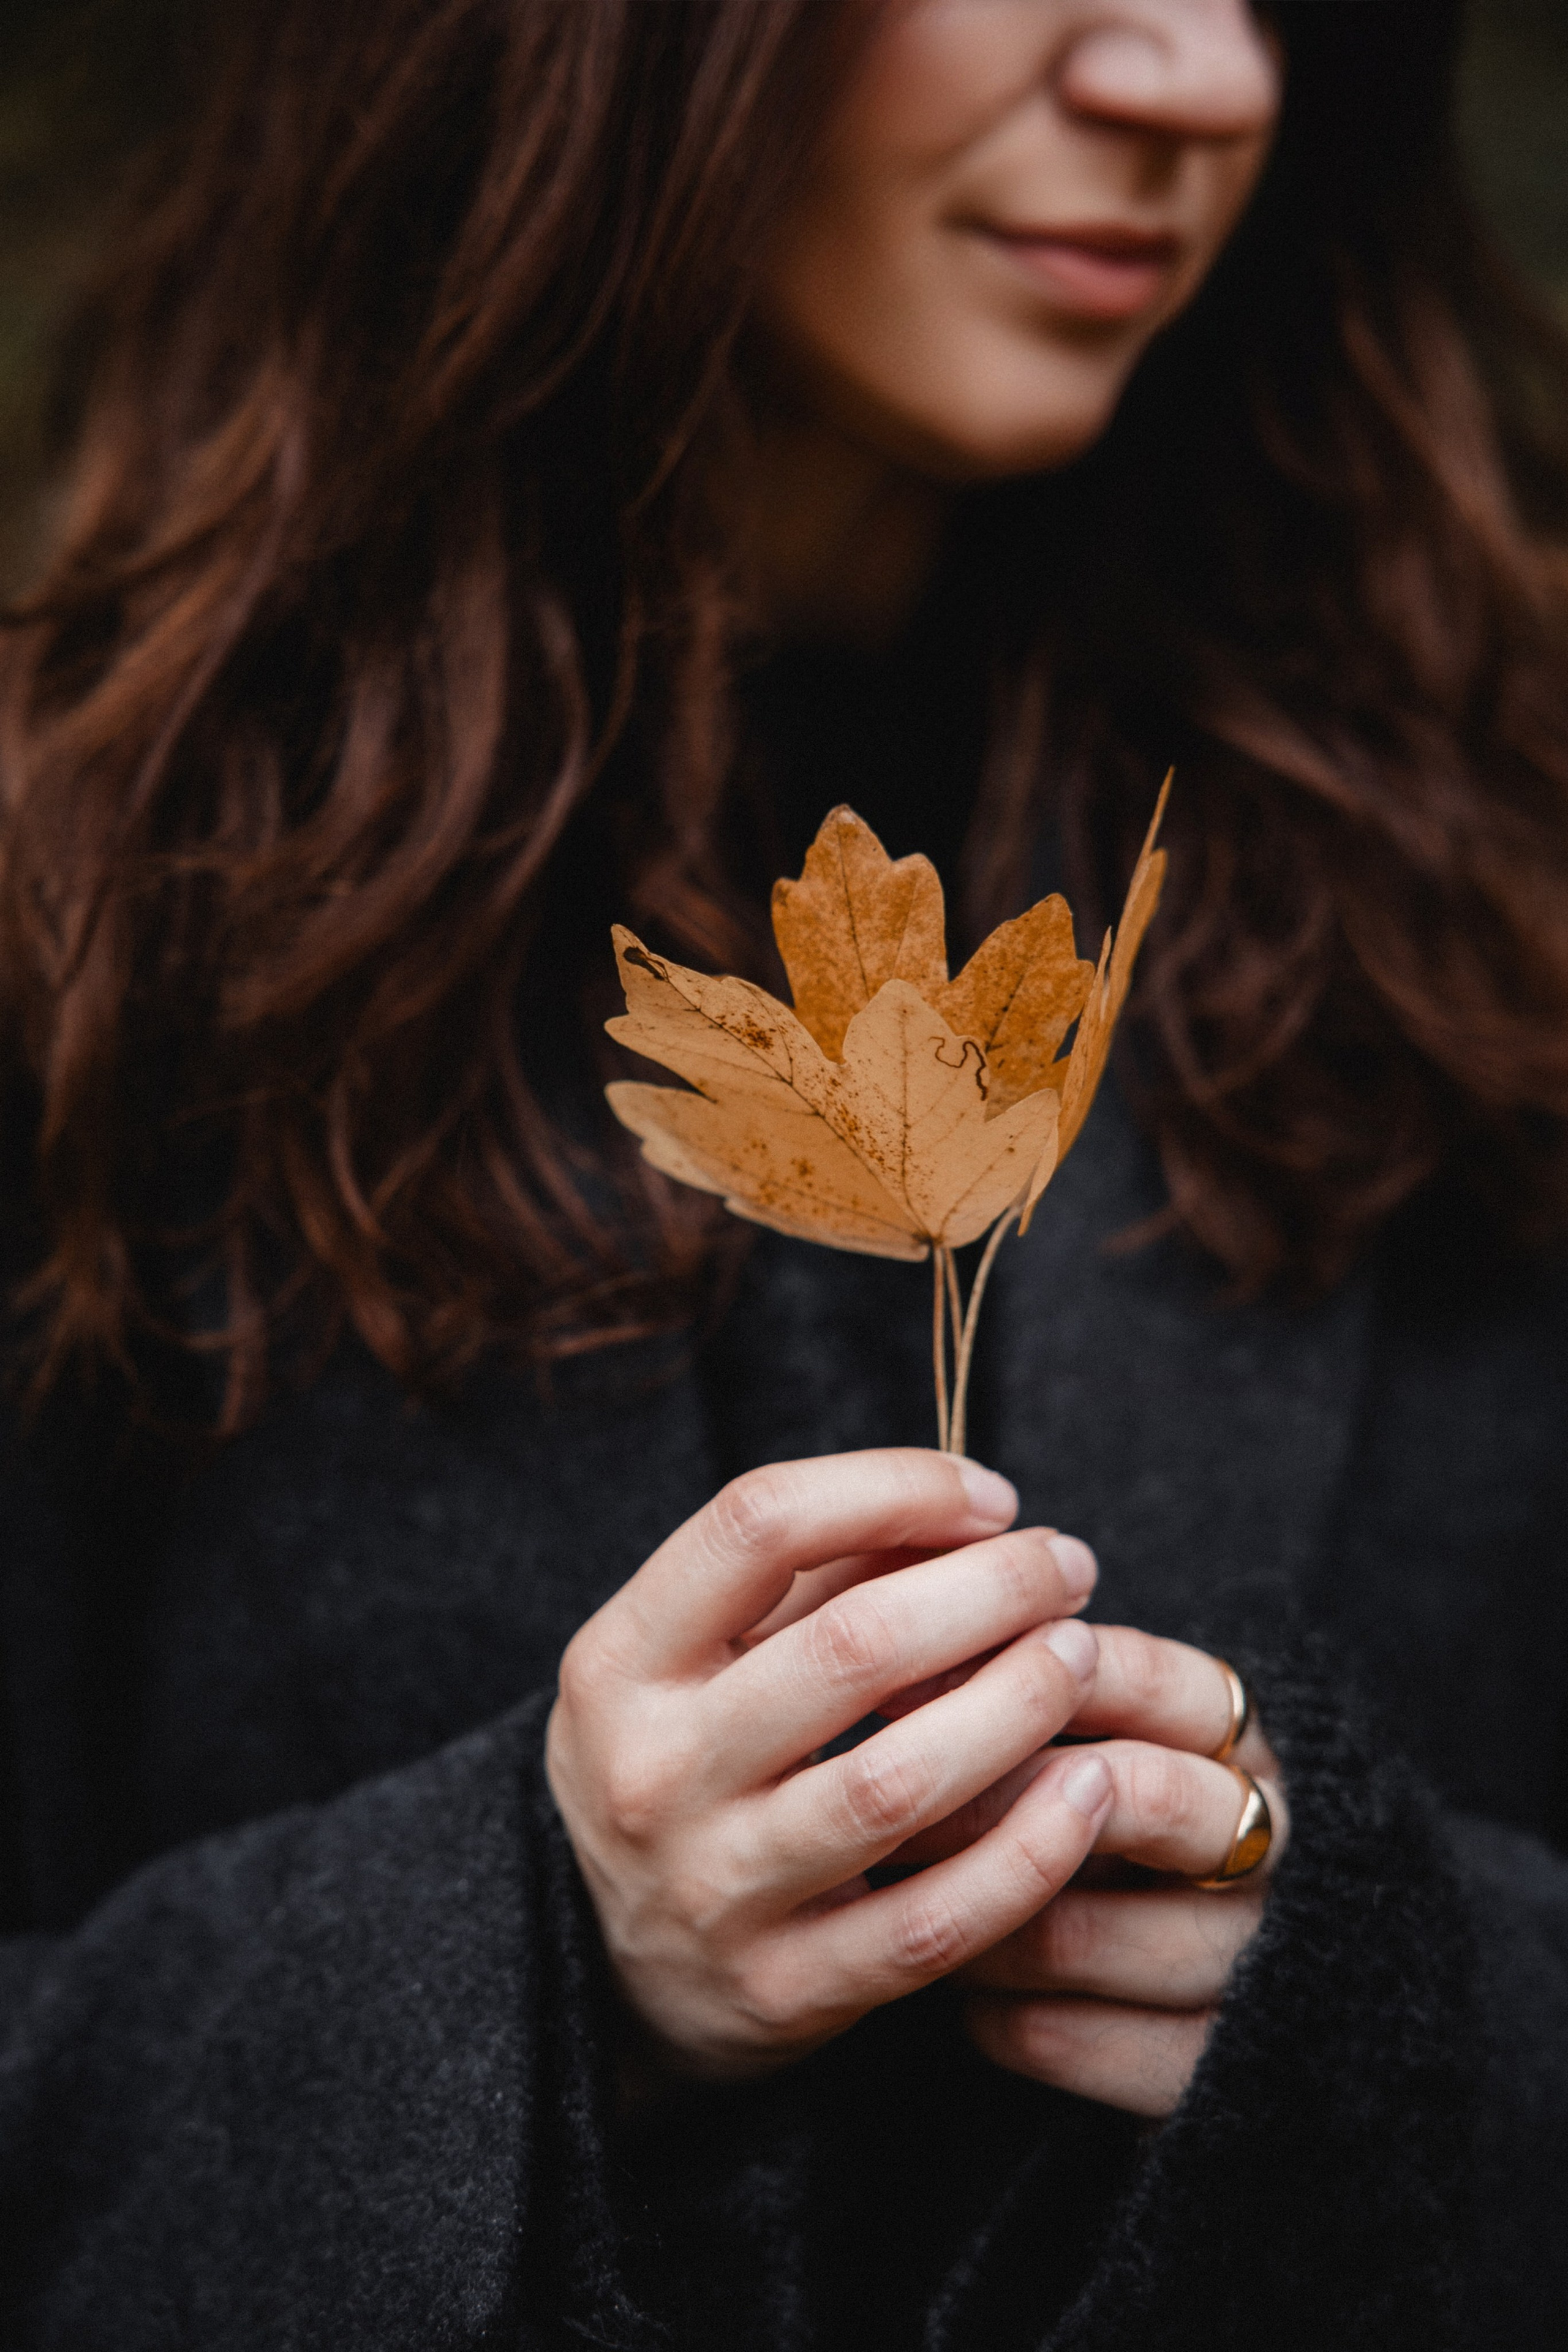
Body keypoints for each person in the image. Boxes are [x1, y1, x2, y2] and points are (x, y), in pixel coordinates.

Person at [2, 1, 1567, 2344]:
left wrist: (1424, 2005)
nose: (1199, 76)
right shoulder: (85, 924)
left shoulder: (1503, 893)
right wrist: (521, 1961)